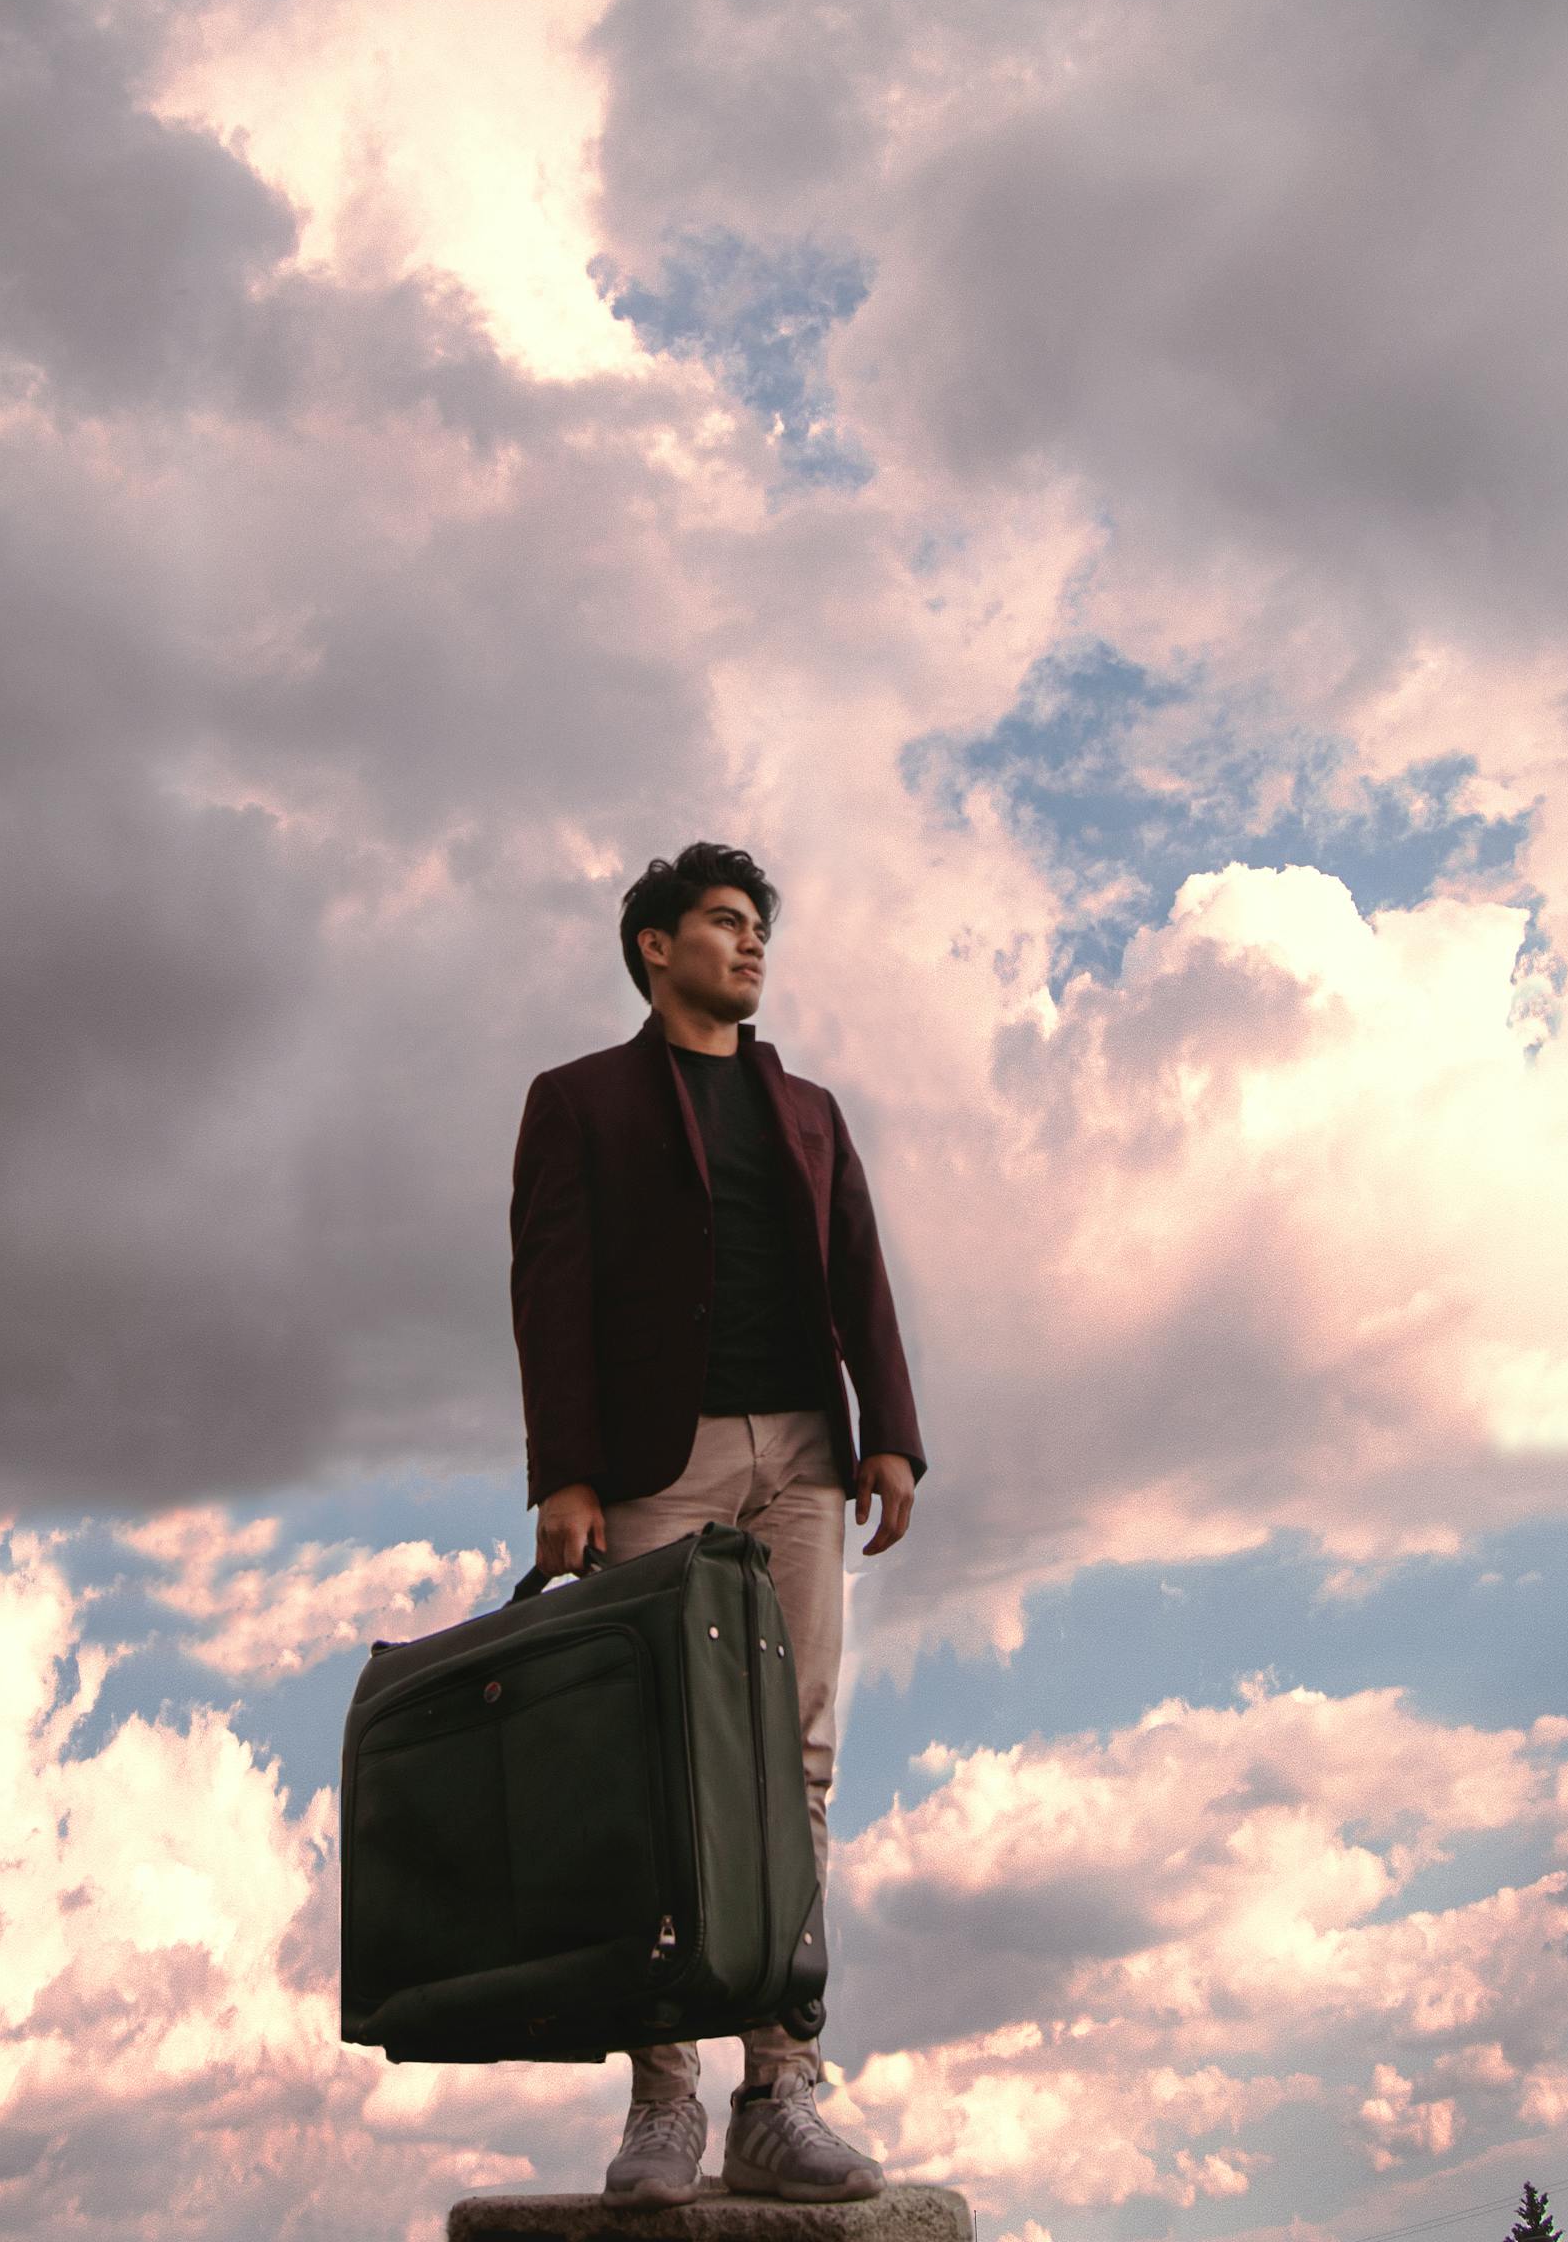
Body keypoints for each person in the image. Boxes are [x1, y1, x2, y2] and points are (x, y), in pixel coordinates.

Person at [509, 840, 927, 2205]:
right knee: (658, 1770)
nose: (751, 947)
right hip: (654, 1463)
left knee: (796, 1765)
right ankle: (662, 2104)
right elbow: (550, 1296)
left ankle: (780, 2087)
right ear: (654, 945)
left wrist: (891, 1438)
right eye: (724, 924)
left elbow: (858, 1268)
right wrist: (566, 1478)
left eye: (758, 928)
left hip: (805, 1454)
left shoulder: (806, 1109)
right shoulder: (576, 1102)